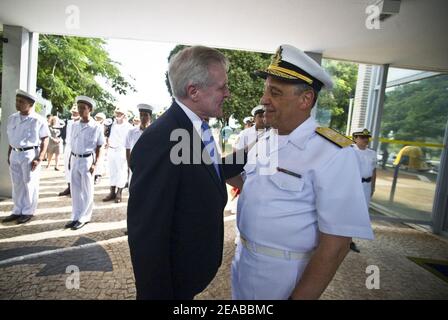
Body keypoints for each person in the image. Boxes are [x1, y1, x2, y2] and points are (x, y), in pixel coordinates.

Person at [231, 44, 374, 300]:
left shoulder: (334, 152)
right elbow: (244, 181)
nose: (264, 100)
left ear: (305, 99)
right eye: (265, 91)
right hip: (244, 262)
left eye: (275, 92)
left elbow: (337, 243)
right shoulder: (266, 140)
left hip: (284, 274)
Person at [127, 45, 245, 300]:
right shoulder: (162, 140)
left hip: (189, 273)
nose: (228, 93)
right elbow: (147, 233)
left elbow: (209, 172)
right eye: (222, 87)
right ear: (194, 91)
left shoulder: (193, 126)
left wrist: (252, 154)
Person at [3, 89, 49, 224]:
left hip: (29, 154)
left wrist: (40, 157)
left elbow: (45, 138)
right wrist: (9, 153)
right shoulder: (12, 118)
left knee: (29, 183)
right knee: (16, 183)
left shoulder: (38, 120)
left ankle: (28, 211)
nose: (17, 103)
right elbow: (12, 138)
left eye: (21, 101)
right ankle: (17, 210)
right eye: (17, 101)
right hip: (15, 153)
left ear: (30, 104)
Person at [65, 96, 104, 230]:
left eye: (83, 108)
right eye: (79, 107)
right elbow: (72, 144)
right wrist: (70, 160)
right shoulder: (74, 125)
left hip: (87, 159)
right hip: (75, 158)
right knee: (75, 190)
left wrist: (95, 164)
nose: (81, 110)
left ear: (90, 110)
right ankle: (75, 216)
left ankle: (85, 217)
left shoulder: (96, 127)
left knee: (87, 190)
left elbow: (99, 146)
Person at [350, 128, 377, 253]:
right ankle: (346, 240)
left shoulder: (372, 153)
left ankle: (350, 240)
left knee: (360, 213)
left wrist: (373, 187)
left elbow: (374, 171)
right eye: (362, 137)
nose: (365, 140)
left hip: (366, 186)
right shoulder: (349, 151)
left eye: (367, 137)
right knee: (349, 212)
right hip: (353, 185)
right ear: (355, 138)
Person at [103, 105, 132, 203]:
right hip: (111, 149)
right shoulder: (111, 124)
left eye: (120, 113)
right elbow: (106, 134)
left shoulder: (128, 127)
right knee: (112, 171)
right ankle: (112, 192)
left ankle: (119, 192)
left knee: (121, 171)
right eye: (117, 113)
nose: (118, 115)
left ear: (124, 115)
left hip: (121, 150)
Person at [59, 105, 80, 196]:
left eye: (76, 112)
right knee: (67, 168)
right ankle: (69, 186)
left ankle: (75, 189)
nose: (74, 113)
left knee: (75, 169)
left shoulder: (82, 123)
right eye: (73, 112)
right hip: (68, 147)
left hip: (77, 149)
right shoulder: (69, 122)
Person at [125, 104, 153, 169]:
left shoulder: (155, 132)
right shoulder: (131, 132)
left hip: (149, 166)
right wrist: (129, 165)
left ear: (150, 117)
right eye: (141, 115)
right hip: (135, 166)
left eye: (146, 115)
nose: (143, 117)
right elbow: (127, 149)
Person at [93, 112, 107, 184]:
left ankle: (98, 175)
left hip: (101, 145)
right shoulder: (93, 125)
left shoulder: (104, 126)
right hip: (93, 145)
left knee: (100, 160)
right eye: (97, 118)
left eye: (100, 118)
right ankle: (94, 174)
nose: (98, 119)